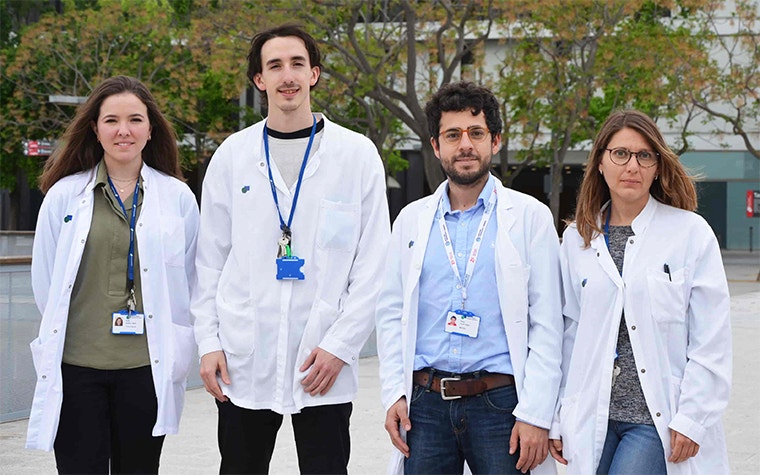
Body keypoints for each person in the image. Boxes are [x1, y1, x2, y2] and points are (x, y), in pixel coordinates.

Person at [191, 23, 390, 474]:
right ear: (259, 80)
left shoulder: (356, 156)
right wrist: (208, 343)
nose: (287, 76)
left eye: (297, 64)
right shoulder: (233, 155)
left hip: (323, 361)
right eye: (274, 66)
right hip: (245, 358)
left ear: (314, 74)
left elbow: (374, 264)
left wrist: (340, 345)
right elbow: (209, 263)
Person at [375, 81, 563, 475]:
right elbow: (391, 313)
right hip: (424, 407)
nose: (465, 144)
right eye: (453, 135)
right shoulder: (411, 220)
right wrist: (394, 393)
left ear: (495, 141)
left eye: (476, 133)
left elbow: (548, 323)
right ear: (436, 145)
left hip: (501, 405)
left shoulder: (530, 218)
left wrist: (537, 414)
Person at [27, 75, 200, 474]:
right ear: (95, 128)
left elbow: (191, 280)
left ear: (150, 128)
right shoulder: (65, 195)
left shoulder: (176, 198)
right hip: (76, 370)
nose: (124, 130)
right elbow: (46, 283)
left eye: (135, 119)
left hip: (145, 369)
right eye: (112, 121)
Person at [550, 110, 732, 474]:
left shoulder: (690, 233)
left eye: (644, 156)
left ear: (657, 166)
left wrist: (693, 417)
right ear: (600, 162)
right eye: (620, 154)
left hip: (656, 417)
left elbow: (711, 337)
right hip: (591, 416)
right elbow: (567, 335)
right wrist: (557, 416)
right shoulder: (576, 240)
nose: (631, 165)